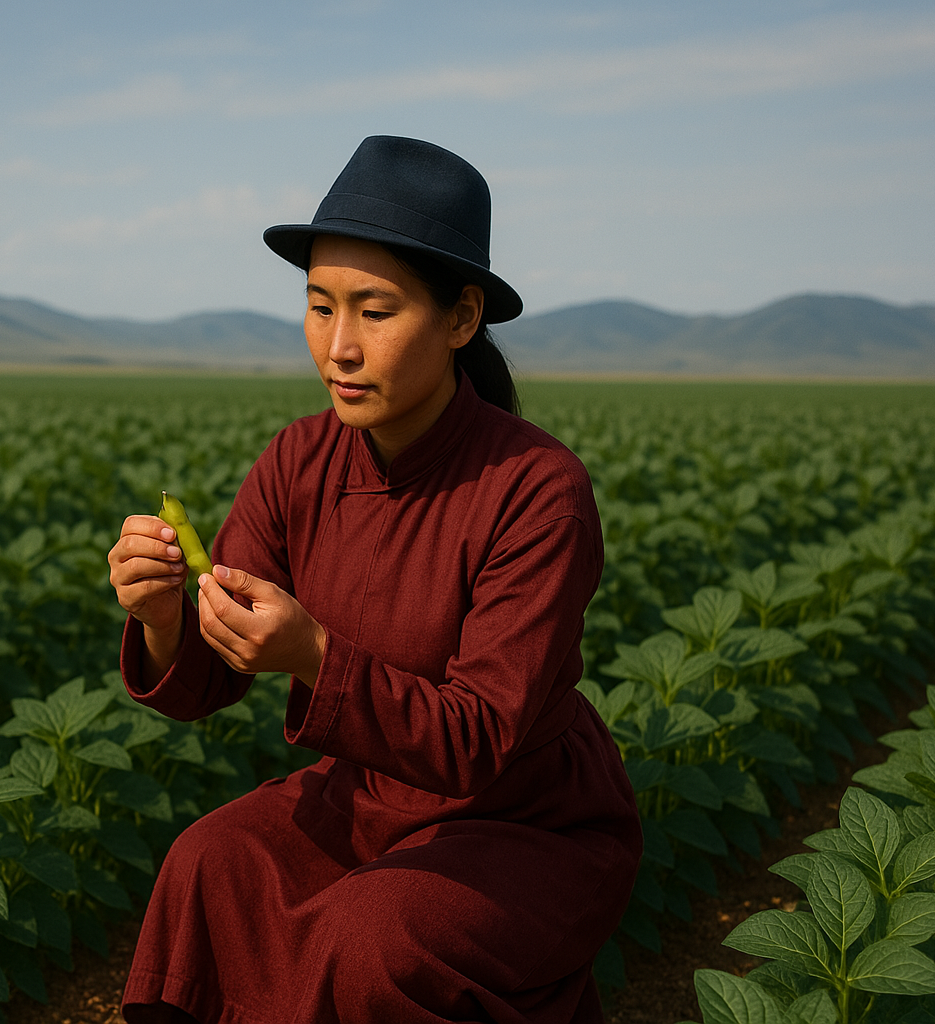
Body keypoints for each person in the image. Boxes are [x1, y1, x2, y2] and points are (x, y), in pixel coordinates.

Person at [106, 136, 642, 1024]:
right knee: (208, 862)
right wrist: (166, 616)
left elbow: (477, 741)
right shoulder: (299, 458)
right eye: (319, 307)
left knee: (371, 937)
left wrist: (315, 653)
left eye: (376, 311)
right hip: (366, 800)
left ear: (462, 318)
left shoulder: (537, 489)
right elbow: (212, 676)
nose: (339, 347)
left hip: (525, 824)